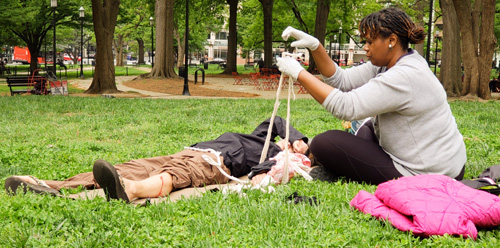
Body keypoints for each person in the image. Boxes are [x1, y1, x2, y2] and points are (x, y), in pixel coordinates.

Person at [277, 7, 466, 185]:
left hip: (429, 174)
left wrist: (299, 73)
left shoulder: (404, 75)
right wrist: (316, 46)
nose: (366, 47)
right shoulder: (397, 60)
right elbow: (342, 80)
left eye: (370, 41)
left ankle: (338, 168)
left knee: (323, 144)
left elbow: (346, 107)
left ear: (391, 41)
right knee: (368, 128)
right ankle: (339, 167)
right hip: (447, 163)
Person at [5, 117, 310, 203]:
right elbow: (276, 118)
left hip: (215, 163)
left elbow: (271, 174)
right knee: (129, 166)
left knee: (178, 174)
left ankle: (133, 191)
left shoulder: (277, 157)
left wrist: (295, 151)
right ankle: (51, 185)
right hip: (190, 150)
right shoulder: (263, 136)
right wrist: (295, 137)